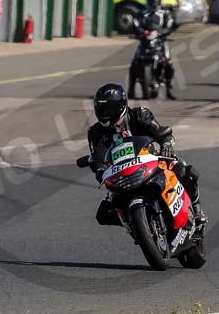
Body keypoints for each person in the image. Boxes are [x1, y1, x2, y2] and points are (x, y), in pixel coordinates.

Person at [88, 83, 207, 229]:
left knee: (182, 169)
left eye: (107, 108)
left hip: (150, 162)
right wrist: (100, 170)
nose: (103, 112)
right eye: (100, 108)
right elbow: (97, 158)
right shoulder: (96, 132)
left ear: (119, 106)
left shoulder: (139, 115)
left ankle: (196, 208)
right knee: (103, 213)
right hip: (119, 173)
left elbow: (162, 132)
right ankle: (136, 225)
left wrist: (166, 144)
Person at [132, 0, 176, 99]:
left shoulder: (164, 13)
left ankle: (169, 88)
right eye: (151, 2)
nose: (153, 4)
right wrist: (143, 32)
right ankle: (130, 88)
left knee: (169, 62)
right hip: (145, 42)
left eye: (155, 2)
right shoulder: (142, 13)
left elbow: (169, 24)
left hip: (160, 41)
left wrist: (161, 32)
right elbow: (136, 23)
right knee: (135, 62)